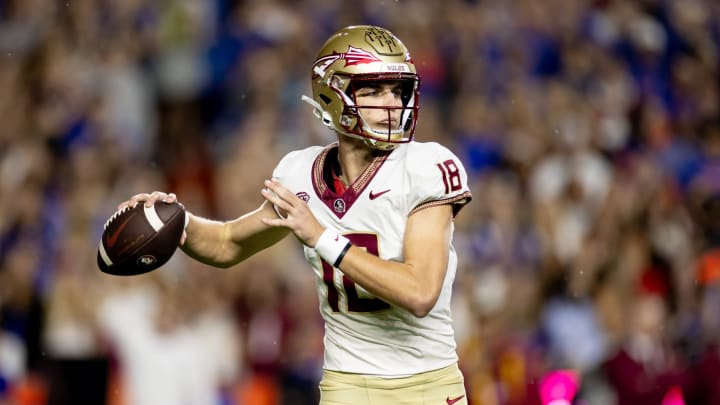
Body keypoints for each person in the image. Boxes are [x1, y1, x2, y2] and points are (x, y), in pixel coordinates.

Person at [120, 25, 472, 404]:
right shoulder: (300, 173)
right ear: (332, 94)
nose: (391, 103)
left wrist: (322, 237)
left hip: (425, 384)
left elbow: (420, 292)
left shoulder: (426, 164)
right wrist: (174, 222)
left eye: (397, 90)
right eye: (373, 89)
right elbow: (227, 245)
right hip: (347, 385)